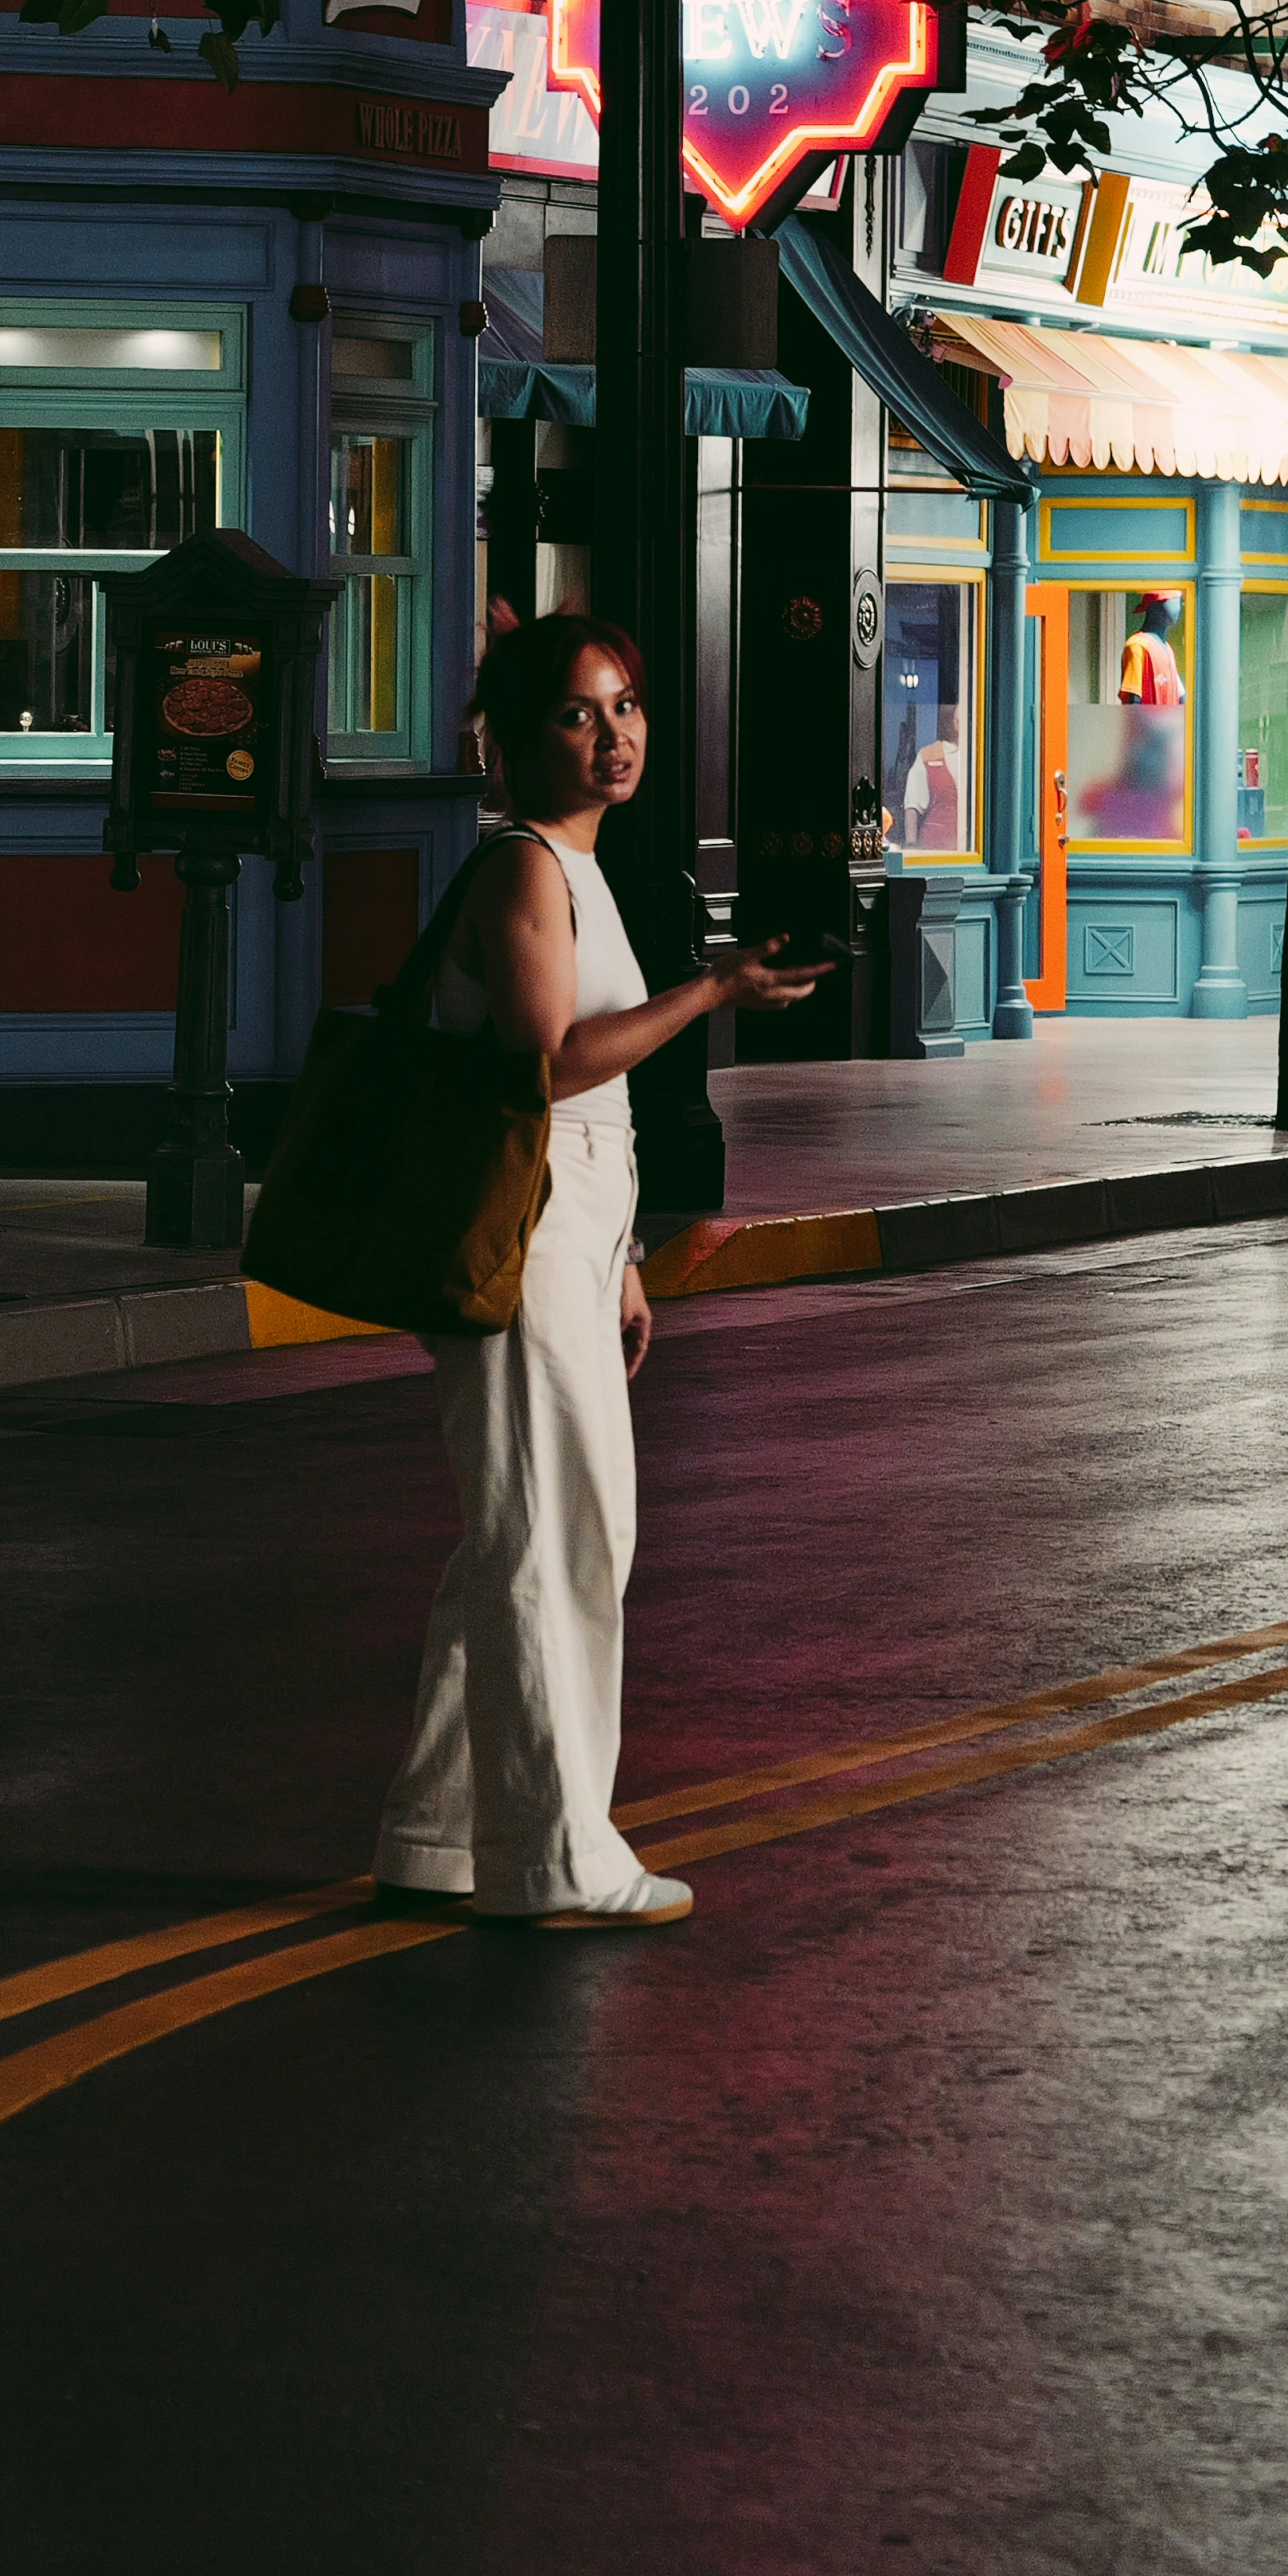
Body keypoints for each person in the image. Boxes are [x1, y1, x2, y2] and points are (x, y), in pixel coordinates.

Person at [373, 621, 820, 1926]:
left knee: (510, 1537)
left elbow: (587, 1114)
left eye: (625, 707)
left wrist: (619, 1256)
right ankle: (550, 1857)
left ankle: (435, 1832)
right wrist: (713, 992)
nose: (613, 734)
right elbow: (547, 1065)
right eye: (577, 715)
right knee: (558, 1537)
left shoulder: (577, 869)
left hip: (566, 1230)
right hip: (522, 1236)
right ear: (507, 744)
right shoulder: (525, 872)